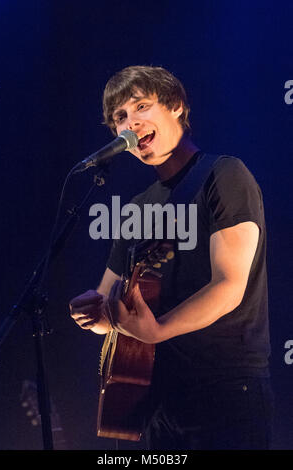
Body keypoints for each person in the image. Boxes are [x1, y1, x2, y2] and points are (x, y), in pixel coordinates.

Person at [69, 66, 274, 450]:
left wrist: (158, 329)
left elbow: (229, 285)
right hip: (156, 398)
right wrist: (91, 314)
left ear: (176, 106)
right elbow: (108, 301)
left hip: (224, 390)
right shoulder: (136, 207)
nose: (130, 124)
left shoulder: (223, 174)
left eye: (141, 106)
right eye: (120, 118)